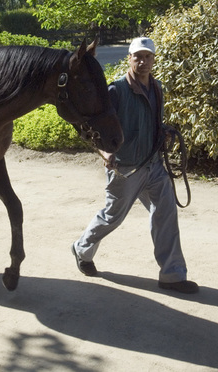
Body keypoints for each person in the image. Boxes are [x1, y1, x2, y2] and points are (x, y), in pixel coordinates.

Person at [72, 37, 198, 294]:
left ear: (153, 59)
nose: (142, 61)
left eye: (147, 56)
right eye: (137, 57)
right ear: (129, 59)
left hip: (153, 165)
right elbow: (93, 128)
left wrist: (164, 132)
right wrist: (105, 152)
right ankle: (82, 248)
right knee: (112, 217)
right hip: (126, 168)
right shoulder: (115, 91)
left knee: (166, 215)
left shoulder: (157, 87)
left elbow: (152, 122)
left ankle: (172, 275)